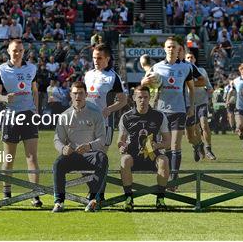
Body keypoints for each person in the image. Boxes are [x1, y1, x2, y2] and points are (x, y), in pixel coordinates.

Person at [141, 37, 195, 191]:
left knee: (175, 144)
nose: (171, 49)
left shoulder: (186, 68)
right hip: (161, 111)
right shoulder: (157, 67)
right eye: (168, 47)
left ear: (179, 49)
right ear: (164, 49)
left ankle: (174, 179)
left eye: (174, 47)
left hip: (179, 110)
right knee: (163, 146)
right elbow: (143, 82)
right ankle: (163, 172)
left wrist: (191, 106)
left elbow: (191, 88)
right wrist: (145, 82)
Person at [0, 40, 41, 207]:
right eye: (14, 51)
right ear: (8, 51)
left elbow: (35, 91)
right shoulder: (0, 70)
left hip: (28, 115)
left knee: (32, 157)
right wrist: (5, 98)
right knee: (9, 157)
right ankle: (7, 193)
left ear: (24, 51)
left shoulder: (32, 68)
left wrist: (36, 110)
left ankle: (35, 194)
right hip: (11, 116)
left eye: (20, 50)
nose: (17, 53)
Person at [52, 82, 108, 213]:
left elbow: (102, 139)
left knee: (102, 157)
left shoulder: (96, 113)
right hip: (73, 155)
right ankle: (59, 201)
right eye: (75, 93)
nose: (78, 96)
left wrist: (89, 146)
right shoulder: (64, 116)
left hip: (90, 155)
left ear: (86, 95)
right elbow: (57, 139)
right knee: (58, 163)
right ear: (70, 95)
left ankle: (94, 199)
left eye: (81, 93)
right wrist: (63, 148)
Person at [117, 86, 171, 211]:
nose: (143, 100)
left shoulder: (159, 116)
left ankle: (160, 199)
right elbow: (120, 140)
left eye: (146, 97)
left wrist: (156, 145)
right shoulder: (126, 117)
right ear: (134, 98)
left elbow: (167, 142)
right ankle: (129, 198)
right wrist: (121, 147)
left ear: (149, 98)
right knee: (124, 160)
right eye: (139, 97)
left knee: (164, 160)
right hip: (134, 156)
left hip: (153, 156)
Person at [84, 43, 127, 151]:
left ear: (107, 59)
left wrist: (109, 109)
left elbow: (123, 101)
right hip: (87, 122)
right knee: (85, 156)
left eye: (99, 58)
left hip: (105, 123)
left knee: (100, 156)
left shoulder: (113, 77)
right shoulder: (88, 75)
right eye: (94, 58)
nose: (95, 61)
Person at [186, 52, 216, 160]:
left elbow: (208, 85)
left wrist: (210, 90)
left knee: (204, 124)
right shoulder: (183, 70)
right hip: (189, 104)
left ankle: (208, 149)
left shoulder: (201, 71)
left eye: (191, 57)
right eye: (187, 57)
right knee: (195, 129)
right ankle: (199, 146)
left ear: (194, 59)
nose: (190, 59)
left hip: (202, 101)